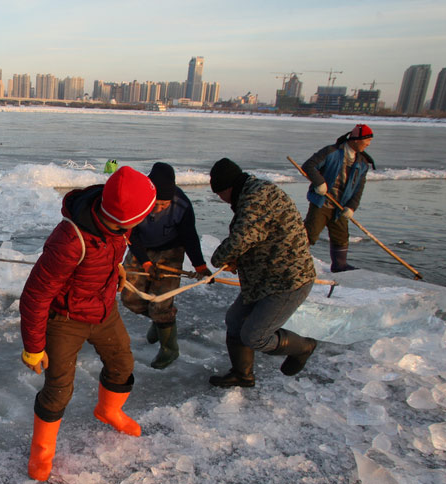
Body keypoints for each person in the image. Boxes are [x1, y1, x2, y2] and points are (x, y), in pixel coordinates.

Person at [20, 166, 157, 481]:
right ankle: (41, 453)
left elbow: (109, 251)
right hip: (65, 319)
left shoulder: (118, 226)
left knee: (122, 362)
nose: (143, 220)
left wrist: (115, 271)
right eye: (143, 216)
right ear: (126, 219)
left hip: (103, 309)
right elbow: (35, 296)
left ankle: (108, 411)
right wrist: (33, 347)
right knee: (58, 389)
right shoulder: (69, 240)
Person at [207, 158, 317, 388]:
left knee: (255, 336)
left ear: (227, 187)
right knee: (235, 321)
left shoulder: (256, 198)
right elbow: (260, 236)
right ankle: (242, 374)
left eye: (219, 193)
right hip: (263, 278)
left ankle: (304, 347)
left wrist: (219, 258)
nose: (221, 199)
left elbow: (244, 237)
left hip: (287, 280)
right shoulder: (252, 192)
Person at [121, 162, 211, 369]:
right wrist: (144, 261)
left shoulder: (182, 205)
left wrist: (200, 267)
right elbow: (130, 233)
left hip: (171, 250)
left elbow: (190, 236)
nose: (160, 208)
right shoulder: (137, 200)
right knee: (130, 297)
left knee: (161, 302)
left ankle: (169, 348)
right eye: (157, 204)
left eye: (164, 204)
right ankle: (159, 320)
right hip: (141, 247)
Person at [301, 124, 376, 272]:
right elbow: (309, 166)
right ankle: (294, 260)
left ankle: (339, 265)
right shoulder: (331, 152)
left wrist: (351, 207)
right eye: (367, 140)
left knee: (341, 236)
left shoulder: (362, 163)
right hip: (321, 203)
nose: (368, 144)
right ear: (355, 140)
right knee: (310, 233)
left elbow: (359, 189)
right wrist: (319, 182)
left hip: (340, 207)